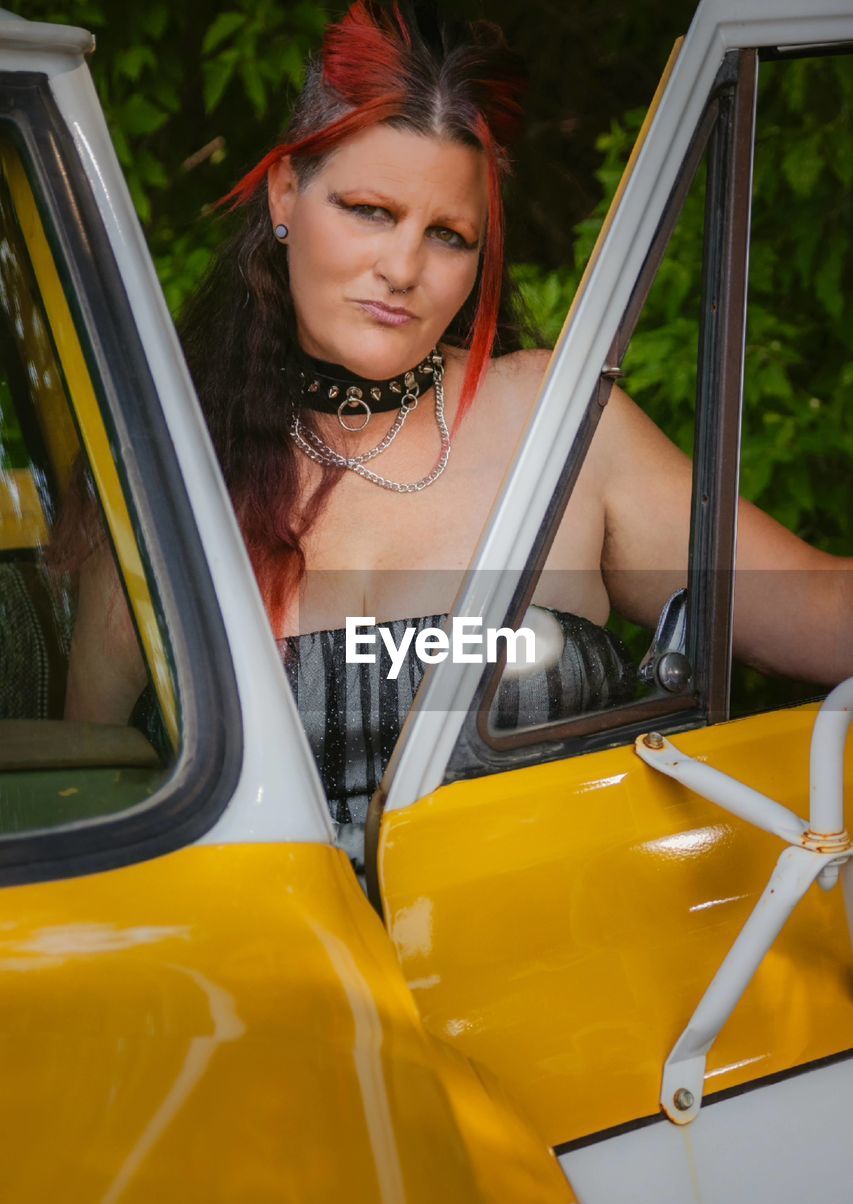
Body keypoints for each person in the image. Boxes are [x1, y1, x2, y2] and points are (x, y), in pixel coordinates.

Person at [64, 1, 850, 846]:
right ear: (286, 193)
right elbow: (86, 808)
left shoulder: (558, 427)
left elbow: (821, 613)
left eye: (448, 235)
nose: (402, 268)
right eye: (368, 210)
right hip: (269, 970)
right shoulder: (170, 467)